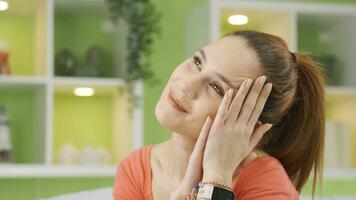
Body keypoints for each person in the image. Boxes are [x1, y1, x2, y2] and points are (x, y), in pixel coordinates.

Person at [113, 30, 325, 200]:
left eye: (216, 87)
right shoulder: (136, 169)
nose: (186, 84)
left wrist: (217, 177)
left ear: (248, 123)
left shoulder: (268, 184)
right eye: (197, 62)